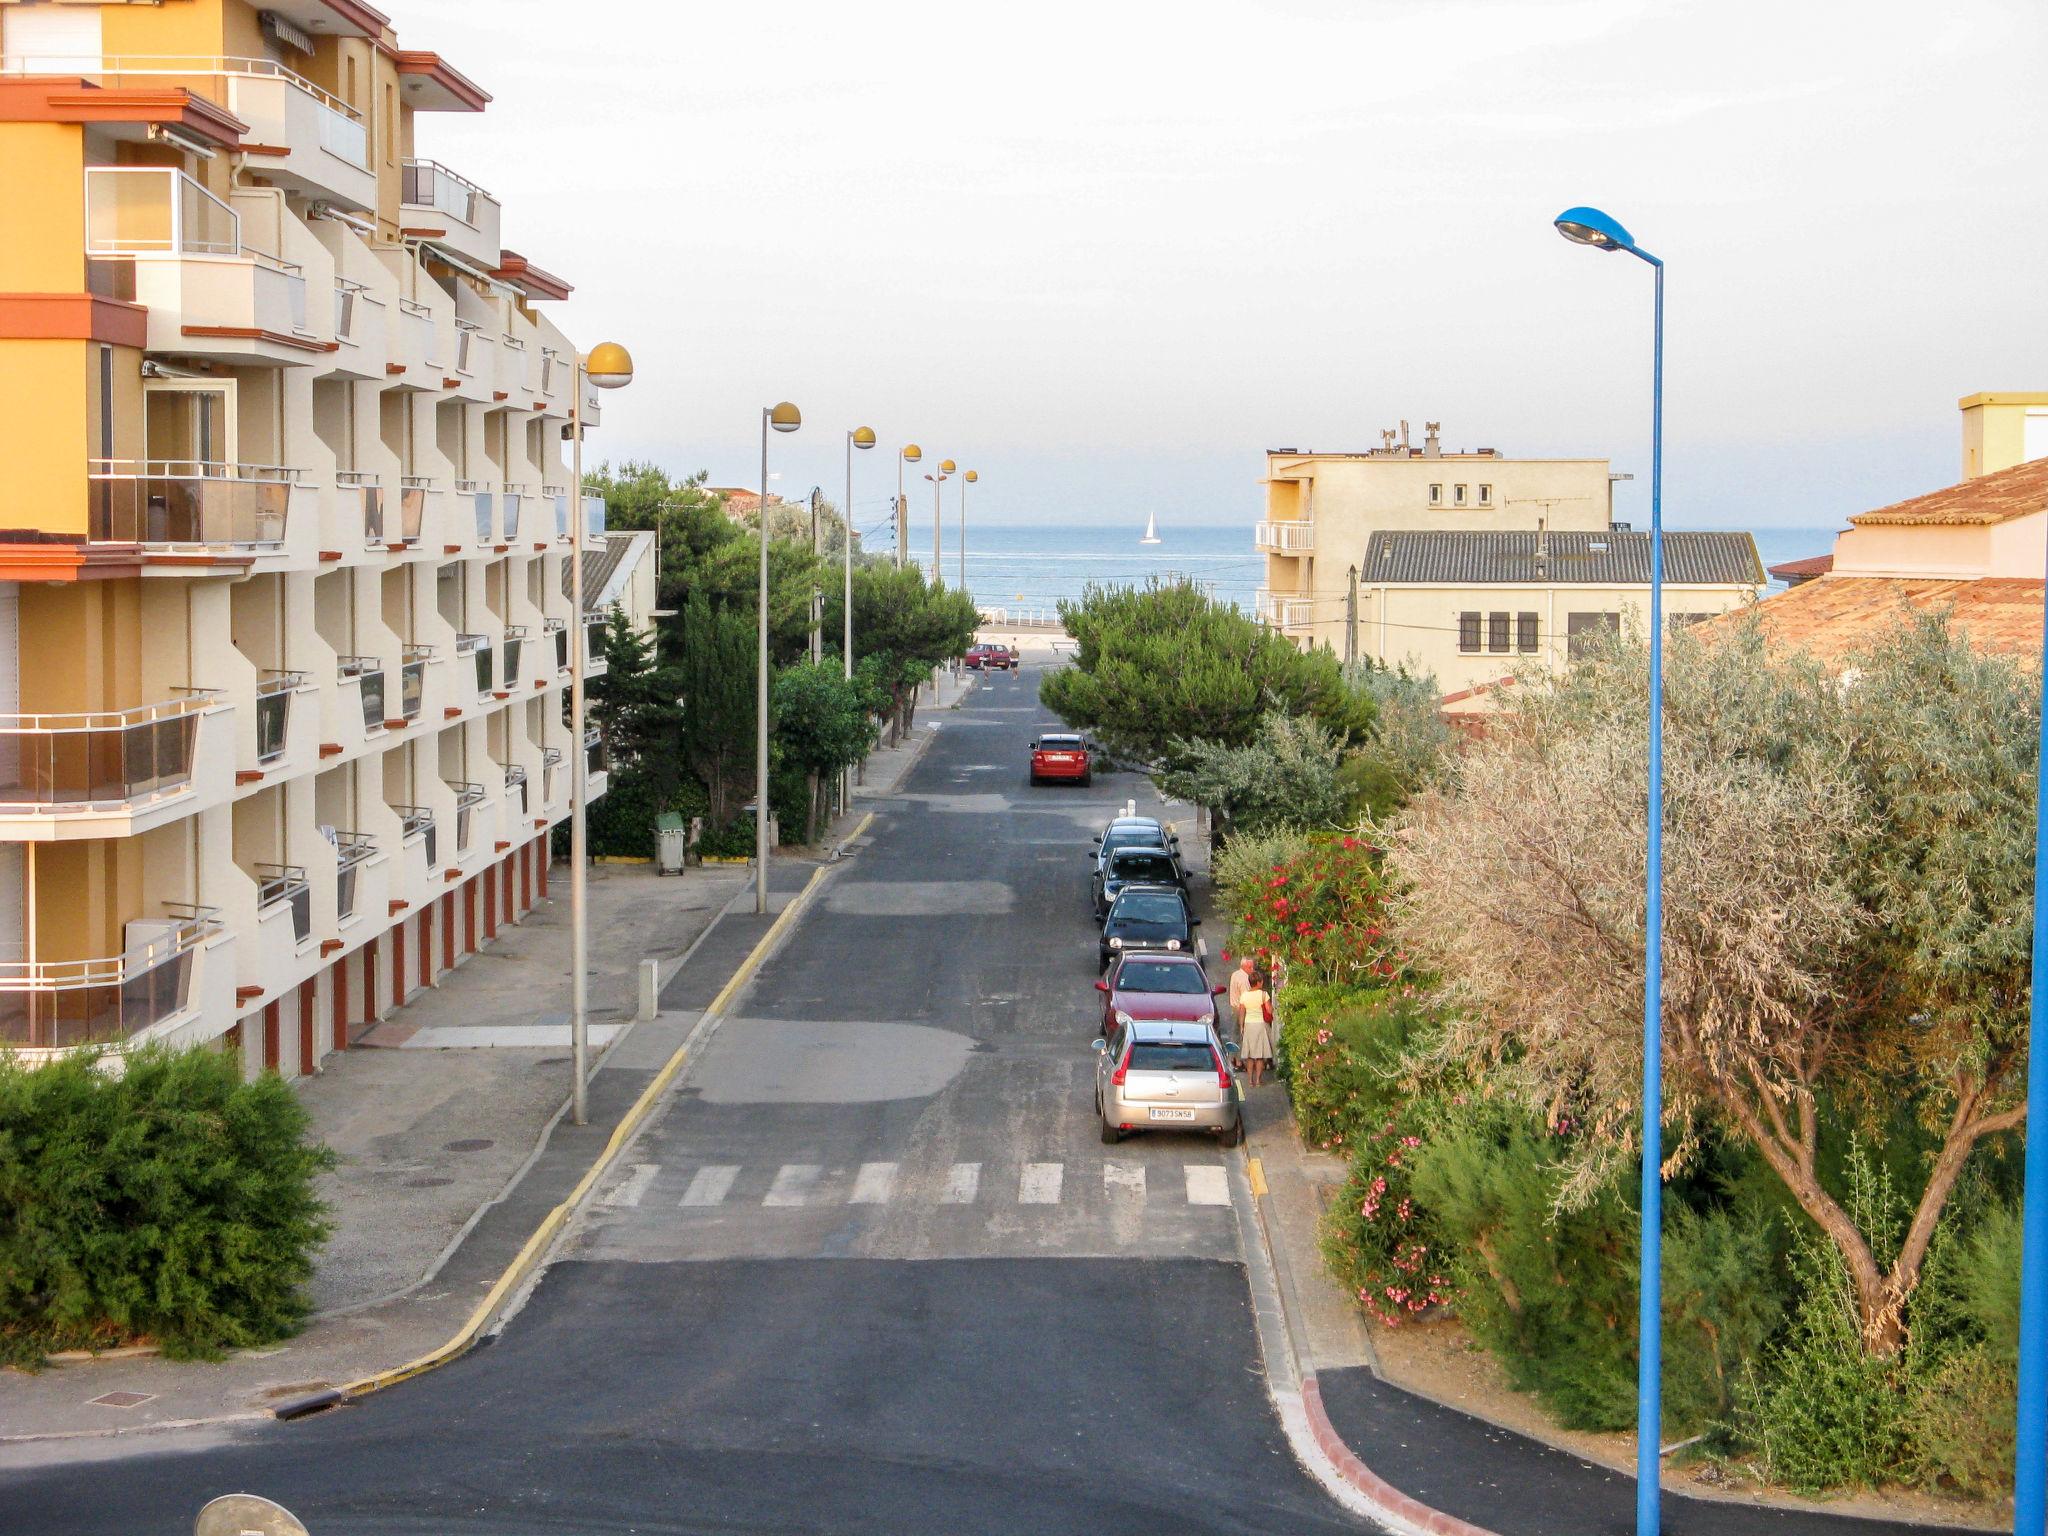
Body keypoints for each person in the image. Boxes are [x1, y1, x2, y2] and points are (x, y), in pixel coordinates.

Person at [1236, 968, 1273, 1088]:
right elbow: (1269, 1010)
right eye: (1261, 981)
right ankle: (1258, 1080)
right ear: (1258, 982)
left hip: (1248, 1025)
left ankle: (1250, 1081)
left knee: (1250, 1056)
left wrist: (1241, 1026)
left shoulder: (1244, 996)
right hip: (1260, 1025)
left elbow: (1241, 1012)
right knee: (1260, 1055)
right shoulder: (1263, 994)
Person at [1226, 955, 1256, 1020]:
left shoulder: (1235, 974)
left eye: (1252, 967)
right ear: (1243, 967)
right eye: (1250, 967)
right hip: (1242, 1010)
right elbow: (1246, 999)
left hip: (1234, 1007)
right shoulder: (1245, 980)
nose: (1252, 970)